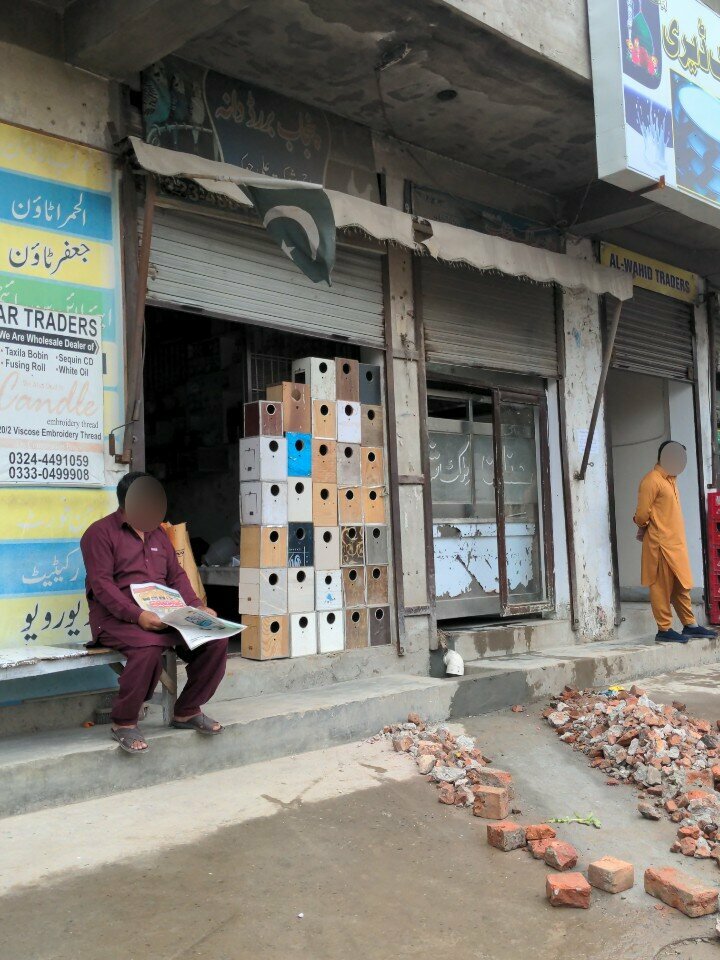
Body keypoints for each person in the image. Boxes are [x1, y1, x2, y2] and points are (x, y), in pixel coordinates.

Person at [80, 471, 228, 754]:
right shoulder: (98, 534)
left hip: (166, 615)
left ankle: (186, 710)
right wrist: (137, 616)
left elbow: (176, 577)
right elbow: (102, 586)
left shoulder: (159, 533)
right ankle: (124, 723)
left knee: (216, 640)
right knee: (147, 648)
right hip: (116, 619)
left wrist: (197, 606)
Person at [634, 441, 716, 644]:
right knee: (661, 587)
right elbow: (642, 514)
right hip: (660, 544)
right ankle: (664, 629)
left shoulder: (671, 480)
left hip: (676, 544)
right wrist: (642, 524)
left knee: (682, 585)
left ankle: (690, 625)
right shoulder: (651, 480)